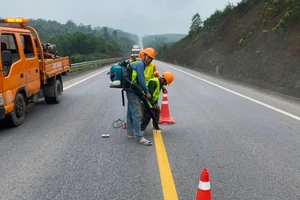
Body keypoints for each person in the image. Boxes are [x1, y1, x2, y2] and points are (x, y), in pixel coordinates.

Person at [126, 47, 155, 146]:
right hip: (133, 91)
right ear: (144, 55)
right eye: (148, 57)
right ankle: (140, 137)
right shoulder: (140, 64)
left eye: (151, 59)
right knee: (137, 114)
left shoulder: (137, 63)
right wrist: (146, 92)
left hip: (130, 89)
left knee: (130, 112)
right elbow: (141, 79)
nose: (149, 60)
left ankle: (130, 133)